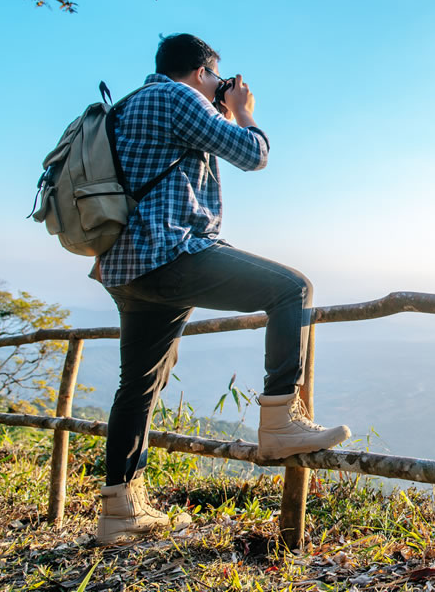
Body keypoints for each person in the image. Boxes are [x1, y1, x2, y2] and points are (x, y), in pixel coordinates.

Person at [94, 33, 350, 544]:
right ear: (201, 72)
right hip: (170, 254)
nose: (220, 85)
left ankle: (119, 511)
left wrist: (221, 108)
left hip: (126, 267)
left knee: (140, 383)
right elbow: (252, 155)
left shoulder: (129, 105)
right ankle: (280, 419)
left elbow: (203, 148)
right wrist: (243, 109)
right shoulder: (177, 95)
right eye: (216, 76)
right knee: (292, 289)